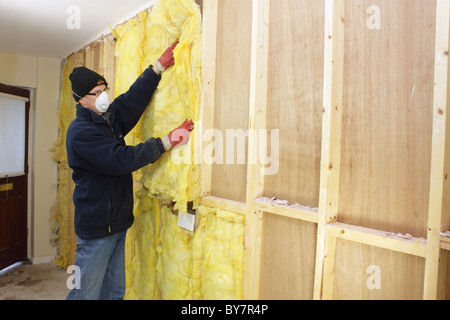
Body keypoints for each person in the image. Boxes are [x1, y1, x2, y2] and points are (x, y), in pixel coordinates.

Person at [65, 43, 194, 300]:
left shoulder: (107, 119)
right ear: (82, 99)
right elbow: (120, 159)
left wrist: (156, 68)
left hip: (117, 224)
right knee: (85, 294)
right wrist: (166, 142)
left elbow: (131, 101)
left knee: (114, 292)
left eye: (105, 90)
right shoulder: (81, 133)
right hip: (96, 231)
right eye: (97, 92)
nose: (104, 96)